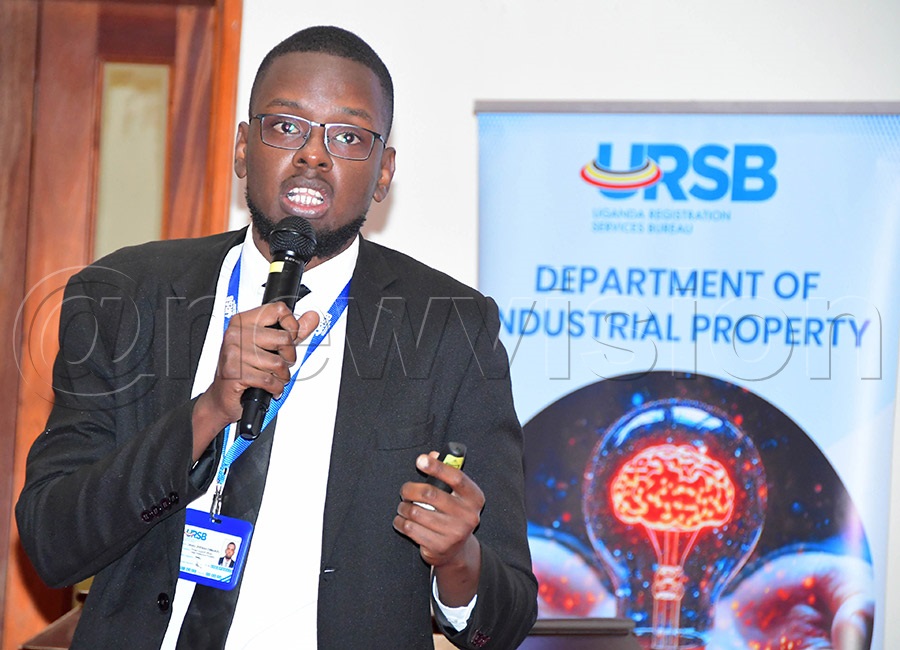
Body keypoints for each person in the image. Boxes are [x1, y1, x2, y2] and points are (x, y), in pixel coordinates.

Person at [16, 25, 537, 649]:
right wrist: (209, 410)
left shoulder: (453, 326)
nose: (313, 156)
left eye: (347, 137)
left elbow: (504, 621)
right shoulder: (123, 292)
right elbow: (52, 541)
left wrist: (458, 560)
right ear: (243, 148)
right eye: (286, 127)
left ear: (384, 172)